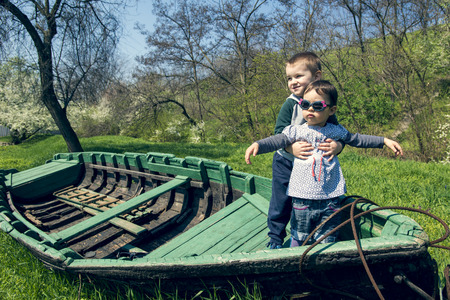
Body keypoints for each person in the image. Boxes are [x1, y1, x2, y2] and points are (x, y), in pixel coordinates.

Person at [245, 80, 403, 246]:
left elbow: (357, 139)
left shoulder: (335, 131)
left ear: (332, 110)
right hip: (302, 198)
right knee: (299, 236)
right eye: (305, 104)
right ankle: (294, 261)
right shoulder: (296, 131)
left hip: (330, 197)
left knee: (327, 239)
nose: (310, 109)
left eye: (318, 106)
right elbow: (277, 140)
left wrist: (383, 141)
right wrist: (258, 144)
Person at [266, 52, 343, 249]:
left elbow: (339, 133)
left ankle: (315, 231)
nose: (293, 82)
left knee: (309, 198)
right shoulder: (290, 104)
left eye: (298, 76)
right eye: (289, 78)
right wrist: (291, 147)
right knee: (281, 200)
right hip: (286, 161)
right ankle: (275, 237)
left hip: (310, 166)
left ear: (316, 76)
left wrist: (338, 146)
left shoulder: (323, 103)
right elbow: (278, 132)